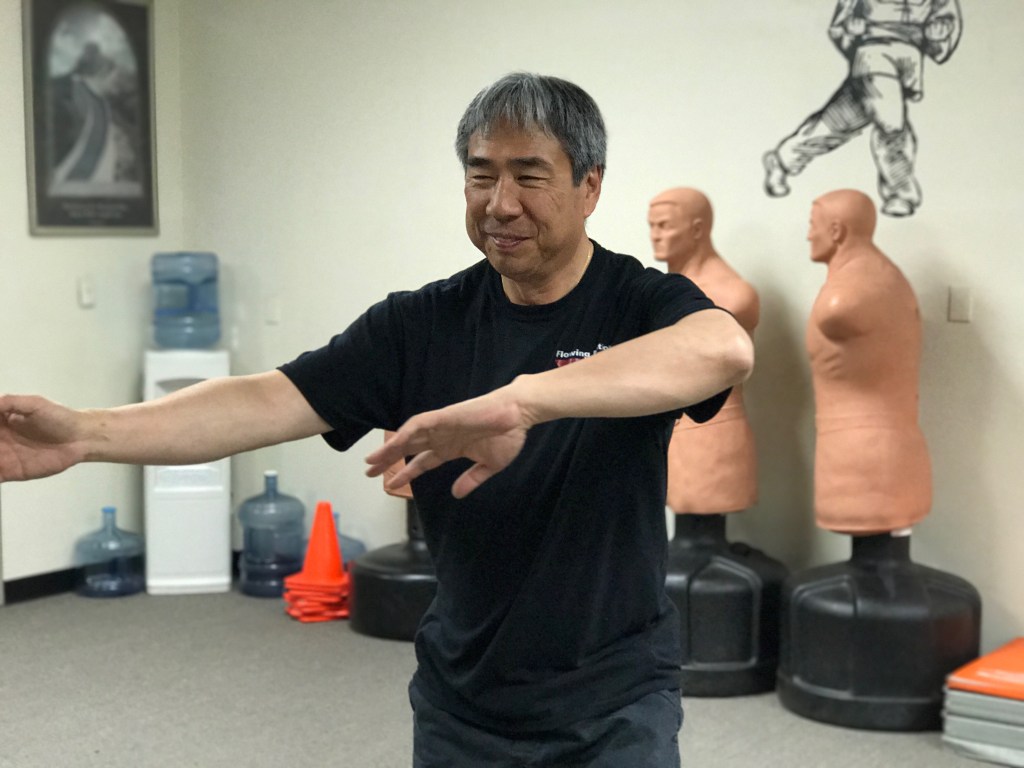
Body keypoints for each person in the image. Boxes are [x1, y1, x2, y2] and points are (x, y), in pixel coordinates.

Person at [0, 73, 753, 767]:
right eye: (481, 175)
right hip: (464, 702)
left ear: (590, 186)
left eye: (530, 176)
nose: (500, 203)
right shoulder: (420, 325)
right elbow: (265, 399)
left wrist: (524, 398)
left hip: (613, 704)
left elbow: (722, 349)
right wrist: (88, 433)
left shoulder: (639, 302)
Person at [762, 0, 963, 218]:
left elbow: (946, 21)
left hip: (908, 61)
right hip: (872, 55)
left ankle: (781, 161)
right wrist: (851, 30)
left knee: (835, 123)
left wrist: (939, 31)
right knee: (890, 121)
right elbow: (840, 25)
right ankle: (901, 192)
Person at [805, 188, 931, 534]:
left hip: (862, 455)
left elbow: (838, 312)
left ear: (836, 231)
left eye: (812, 224)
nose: (808, 235)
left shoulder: (844, 297)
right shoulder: (889, 276)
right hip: (889, 445)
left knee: (874, 559)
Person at [649, 188, 758, 514]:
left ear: (696, 229)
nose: (655, 235)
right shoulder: (666, 288)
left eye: (664, 226)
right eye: (651, 226)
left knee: (698, 524)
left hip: (710, 432)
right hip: (671, 431)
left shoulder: (728, 294)